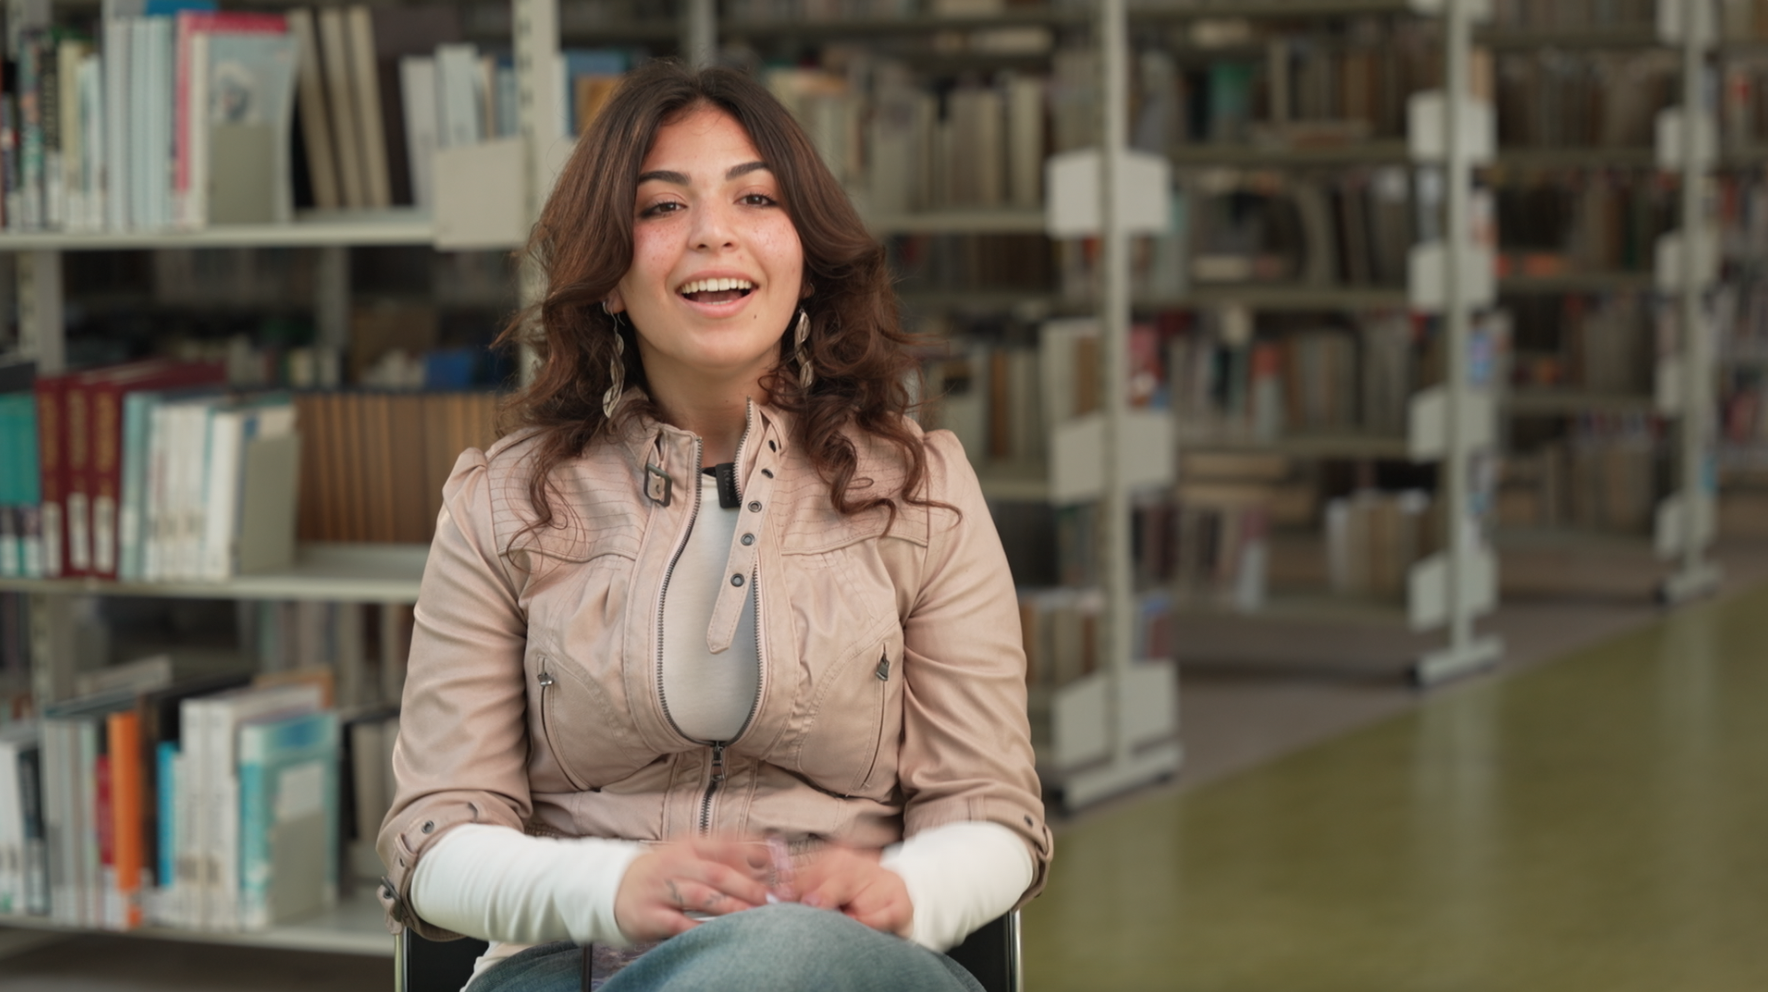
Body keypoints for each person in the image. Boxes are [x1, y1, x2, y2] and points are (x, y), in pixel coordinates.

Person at [376, 59, 1050, 992]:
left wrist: (905, 894)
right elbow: (434, 843)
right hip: (568, 966)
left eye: (757, 199)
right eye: (661, 208)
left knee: (786, 957)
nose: (713, 236)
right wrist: (612, 889)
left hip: (845, 963)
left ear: (806, 254)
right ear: (609, 276)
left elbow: (995, 814)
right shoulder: (502, 502)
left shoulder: (922, 494)